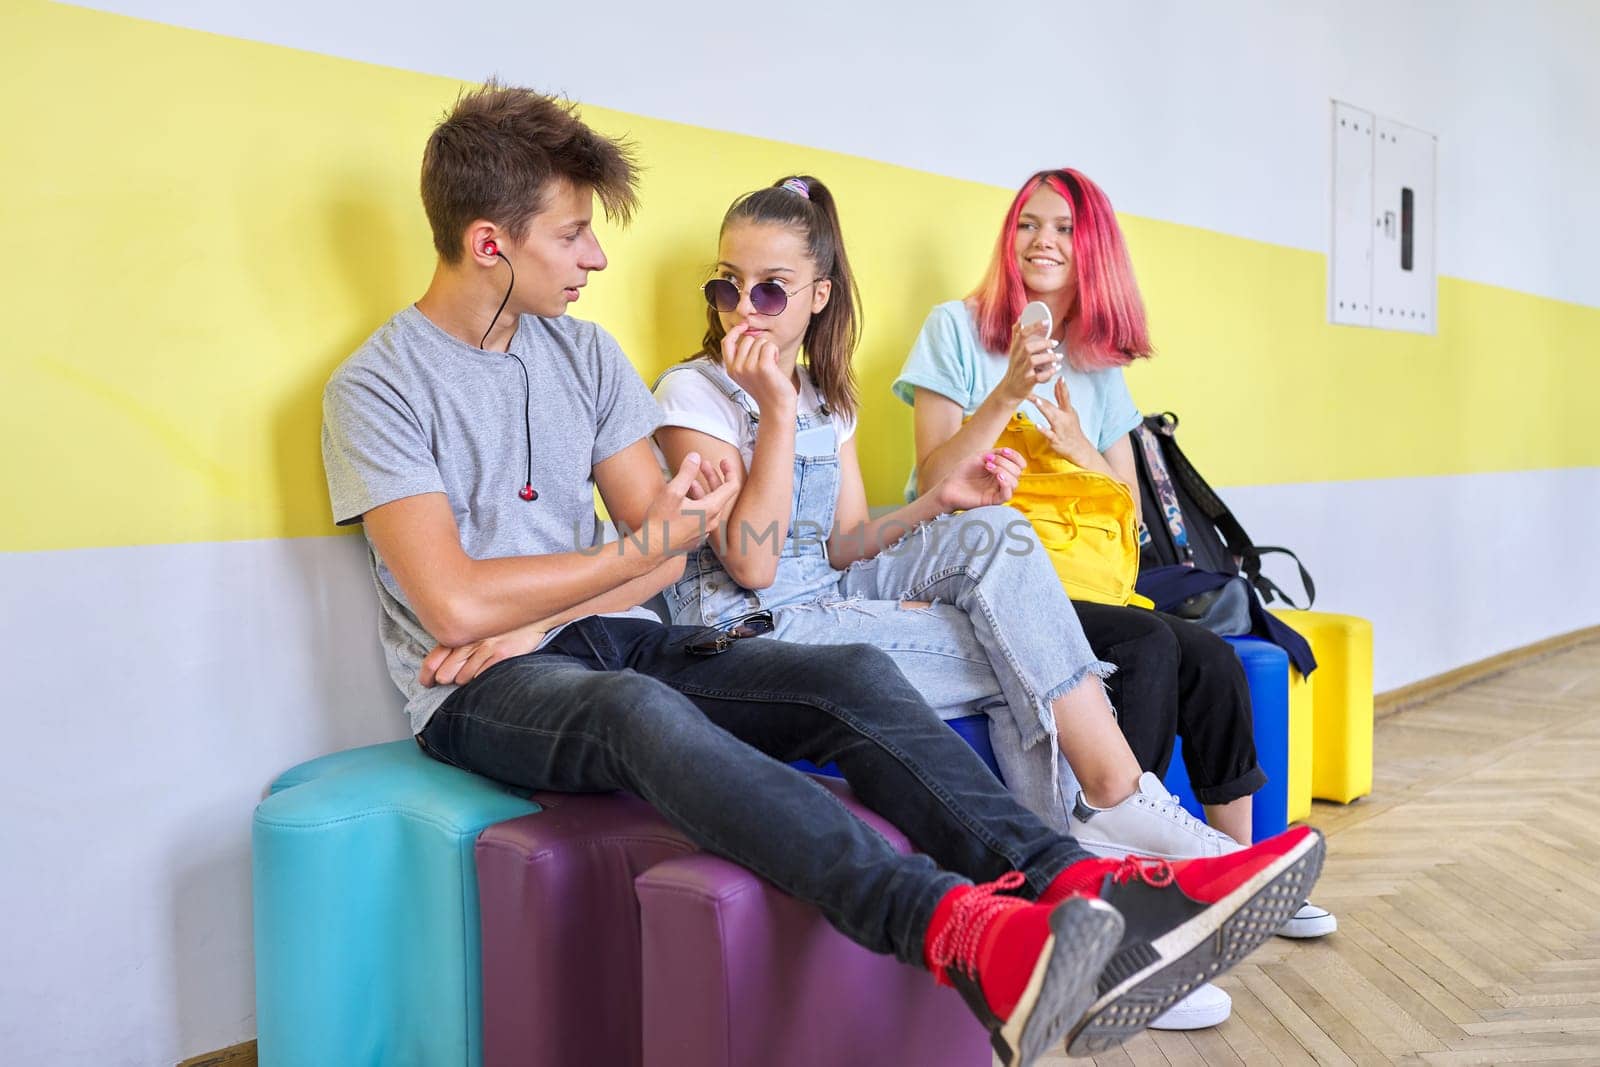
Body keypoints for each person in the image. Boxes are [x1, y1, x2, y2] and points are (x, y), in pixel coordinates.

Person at [320, 84, 1325, 1065]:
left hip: (592, 636)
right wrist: (616, 564)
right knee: (637, 713)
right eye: (572, 233)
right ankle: (958, 931)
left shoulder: (582, 355)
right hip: (470, 688)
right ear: (490, 242)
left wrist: (562, 596)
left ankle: (1081, 886)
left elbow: (658, 552)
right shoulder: (377, 385)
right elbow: (455, 599)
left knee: (847, 676)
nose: (595, 255)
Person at [651, 173, 1250, 1030]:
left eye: (771, 287)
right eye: (725, 284)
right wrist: (773, 410)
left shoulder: (827, 393)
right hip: (751, 630)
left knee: (997, 532)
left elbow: (848, 540)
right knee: (1021, 647)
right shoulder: (694, 394)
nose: (742, 305)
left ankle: (1107, 820)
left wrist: (943, 499)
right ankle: (1104, 844)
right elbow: (748, 563)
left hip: (835, 590)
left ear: (818, 296)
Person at [892, 166, 1335, 939]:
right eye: (1028, 223)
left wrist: (1074, 445)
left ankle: (1233, 876)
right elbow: (932, 477)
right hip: (990, 573)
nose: (1043, 241)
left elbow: (1128, 515)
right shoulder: (955, 330)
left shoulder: (1100, 365)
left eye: (1064, 227)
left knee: (1218, 662)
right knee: (1149, 642)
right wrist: (1006, 399)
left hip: (1086, 578)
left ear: (1091, 246)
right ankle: (1139, 884)